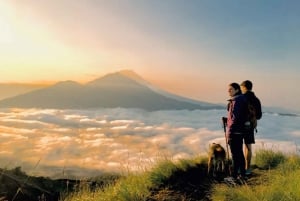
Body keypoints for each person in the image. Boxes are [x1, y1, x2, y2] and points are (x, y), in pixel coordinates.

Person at [226, 83, 248, 179]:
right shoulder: (241, 99)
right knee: (239, 153)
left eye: (231, 89)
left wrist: (230, 129)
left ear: (237, 90)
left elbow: (235, 117)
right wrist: (227, 120)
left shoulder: (236, 101)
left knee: (235, 154)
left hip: (234, 131)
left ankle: (234, 176)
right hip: (239, 131)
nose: (228, 91)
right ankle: (242, 174)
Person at [240, 80, 262, 175]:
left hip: (239, 125)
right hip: (250, 126)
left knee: (238, 147)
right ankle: (247, 168)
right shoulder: (256, 100)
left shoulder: (240, 98)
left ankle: (239, 167)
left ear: (244, 87)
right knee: (248, 146)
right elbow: (259, 116)